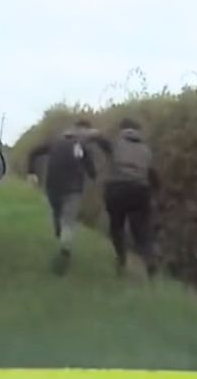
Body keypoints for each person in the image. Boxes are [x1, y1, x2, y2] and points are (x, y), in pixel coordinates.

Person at [26, 119, 101, 275]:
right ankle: (65, 246)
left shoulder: (55, 141)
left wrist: (31, 171)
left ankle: (64, 247)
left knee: (58, 216)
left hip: (53, 187)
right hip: (73, 188)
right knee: (67, 220)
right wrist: (94, 176)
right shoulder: (82, 147)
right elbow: (91, 170)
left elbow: (34, 152)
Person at [96, 118, 161, 278]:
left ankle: (121, 260)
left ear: (122, 130)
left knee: (116, 227)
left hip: (117, 189)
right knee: (142, 230)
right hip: (140, 191)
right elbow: (152, 173)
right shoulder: (146, 150)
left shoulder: (115, 144)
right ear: (138, 131)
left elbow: (101, 142)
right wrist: (156, 191)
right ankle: (149, 260)